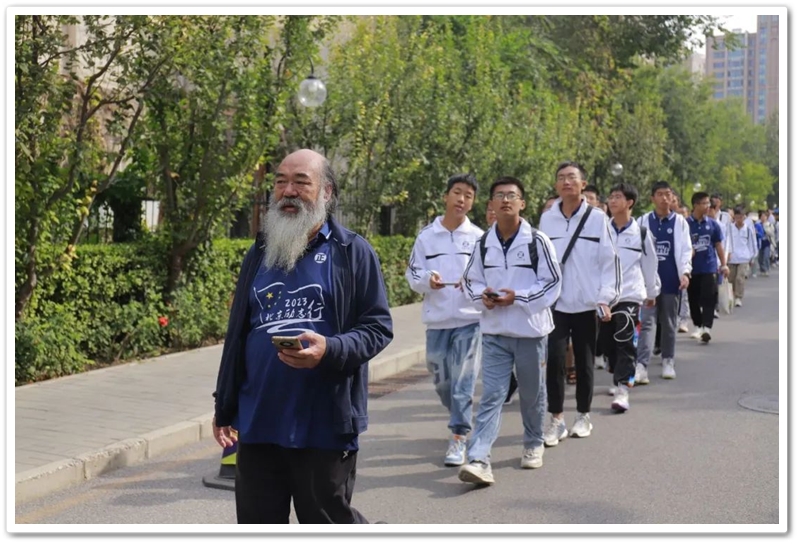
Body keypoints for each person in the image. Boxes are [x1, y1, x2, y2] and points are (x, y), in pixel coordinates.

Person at [212, 149, 393, 524]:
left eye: (300, 182)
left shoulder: (352, 252)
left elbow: (378, 327)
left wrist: (331, 349)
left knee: (327, 523)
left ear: (326, 191)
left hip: (323, 424)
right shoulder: (259, 253)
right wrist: (224, 406)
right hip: (259, 421)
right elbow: (238, 335)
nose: (288, 191)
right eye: (280, 181)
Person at [458, 176, 562, 485]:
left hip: (530, 332)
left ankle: (533, 442)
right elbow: (470, 281)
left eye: (512, 195)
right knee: (492, 395)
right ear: (491, 204)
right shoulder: (482, 243)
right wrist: (483, 297)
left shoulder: (537, 241)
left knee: (531, 393)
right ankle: (479, 459)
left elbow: (552, 283)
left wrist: (519, 297)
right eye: (500, 195)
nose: (505, 200)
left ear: (522, 203)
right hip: (495, 333)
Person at [405, 173, 484, 467]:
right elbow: (413, 274)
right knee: (442, 382)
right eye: (457, 192)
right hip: (437, 321)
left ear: (472, 203)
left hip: (469, 320)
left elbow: (488, 275)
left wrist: (471, 284)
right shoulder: (427, 236)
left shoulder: (478, 238)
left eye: (468, 196)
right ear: (446, 197)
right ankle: (460, 415)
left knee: (463, 381)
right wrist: (428, 279)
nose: (461, 199)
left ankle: (459, 436)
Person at [540, 162, 620, 444]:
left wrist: (606, 298)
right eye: (561, 178)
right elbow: (541, 261)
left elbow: (609, 261)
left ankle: (583, 415)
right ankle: (556, 419)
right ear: (556, 185)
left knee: (585, 363)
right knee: (555, 362)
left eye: (572, 177)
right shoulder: (547, 219)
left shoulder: (598, 219)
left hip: (588, 303)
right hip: (556, 304)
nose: (566, 182)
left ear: (583, 184)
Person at [602, 183, 660, 412]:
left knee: (625, 340)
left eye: (617, 197)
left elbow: (650, 264)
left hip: (630, 294)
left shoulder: (641, 233)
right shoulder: (601, 230)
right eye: (611, 196)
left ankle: (623, 388)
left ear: (629, 202)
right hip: (604, 296)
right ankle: (617, 372)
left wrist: (652, 292)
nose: (612, 200)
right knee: (606, 343)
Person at [634, 181, 693, 383]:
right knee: (647, 323)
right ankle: (642, 364)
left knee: (669, 323)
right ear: (652, 198)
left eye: (668, 194)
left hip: (670, 281)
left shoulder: (680, 222)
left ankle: (668, 360)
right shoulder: (642, 221)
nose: (664, 198)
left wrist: (685, 273)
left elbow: (685, 250)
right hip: (647, 284)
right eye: (660, 194)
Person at [686, 191, 729, 344]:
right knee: (693, 299)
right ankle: (698, 325)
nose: (708, 206)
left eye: (708, 203)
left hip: (709, 267)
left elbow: (718, 245)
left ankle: (707, 328)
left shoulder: (712, 224)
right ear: (695, 205)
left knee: (709, 298)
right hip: (691, 269)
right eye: (704, 203)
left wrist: (723, 264)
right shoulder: (685, 224)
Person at [727, 206, 759, 307]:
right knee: (731, 279)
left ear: (744, 217)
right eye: (737, 217)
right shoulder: (730, 228)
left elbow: (752, 243)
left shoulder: (748, 229)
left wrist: (752, 257)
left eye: (741, 217)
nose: (739, 220)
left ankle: (738, 297)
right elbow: (726, 242)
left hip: (744, 258)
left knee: (740, 278)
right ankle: (732, 295)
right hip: (732, 258)